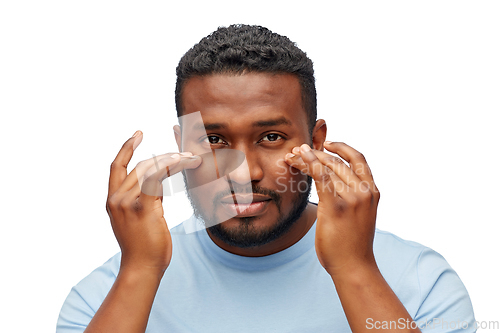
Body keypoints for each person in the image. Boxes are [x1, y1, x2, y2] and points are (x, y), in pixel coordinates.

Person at [57, 24, 475, 333]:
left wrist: (355, 268)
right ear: (183, 147)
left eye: (271, 137)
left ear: (316, 142)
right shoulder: (103, 297)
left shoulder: (419, 282)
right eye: (215, 140)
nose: (245, 173)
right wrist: (140, 270)